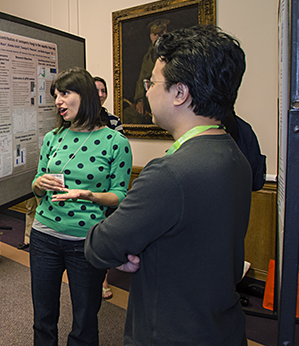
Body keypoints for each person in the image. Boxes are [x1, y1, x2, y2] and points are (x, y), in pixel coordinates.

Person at [85, 25, 251, 345]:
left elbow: (100, 246)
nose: (147, 91)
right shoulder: (233, 155)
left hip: (171, 332)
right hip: (218, 326)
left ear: (180, 92)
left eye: (152, 82)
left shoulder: (170, 173)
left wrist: (127, 250)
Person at [31, 68, 132, 345]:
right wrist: (41, 183)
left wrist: (90, 195)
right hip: (44, 236)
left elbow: (120, 196)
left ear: (85, 96)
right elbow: (36, 184)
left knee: (85, 320)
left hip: (86, 241)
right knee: (43, 318)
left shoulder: (115, 142)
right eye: (55, 95)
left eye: (65, 93)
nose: (58, 101)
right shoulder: (53, 137)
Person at [93, 76, 122, 300]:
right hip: (89, 187)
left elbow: (119, 152)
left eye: (104, 90)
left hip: (109, 186)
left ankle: (103, 278)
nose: (101, 94)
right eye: (97, 90)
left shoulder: (113, 120)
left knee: (106, 231)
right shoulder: (82, 120)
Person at [123, 18, 169, 124]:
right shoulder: (148, 55)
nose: (157, 37)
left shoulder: (170, 54)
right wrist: (139, 99)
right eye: (154, 34)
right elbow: (141, 78)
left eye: (160, 33)